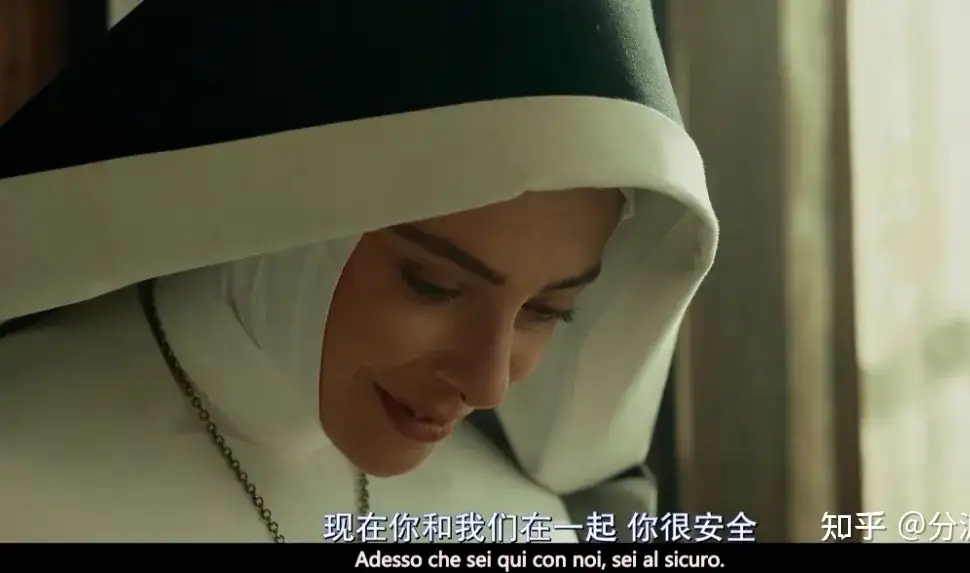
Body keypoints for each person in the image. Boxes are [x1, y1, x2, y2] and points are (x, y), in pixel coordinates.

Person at [0, 0, 718, 542]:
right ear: (280, 203)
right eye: (434, 286)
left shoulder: (517, 522)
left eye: (547, 310)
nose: (488, 382)